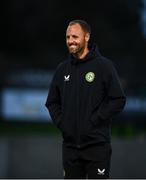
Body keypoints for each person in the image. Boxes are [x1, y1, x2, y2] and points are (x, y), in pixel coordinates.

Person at [45, 19, 126, 179]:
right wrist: (63, 123)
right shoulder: (62, 69)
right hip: (70, 149)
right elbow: (52, 102)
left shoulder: (104, 66)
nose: (70, 41)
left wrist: (96, 119)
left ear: (87, 37)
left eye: (75, 37)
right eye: (68, 37)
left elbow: (118, 100)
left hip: (97, 147)